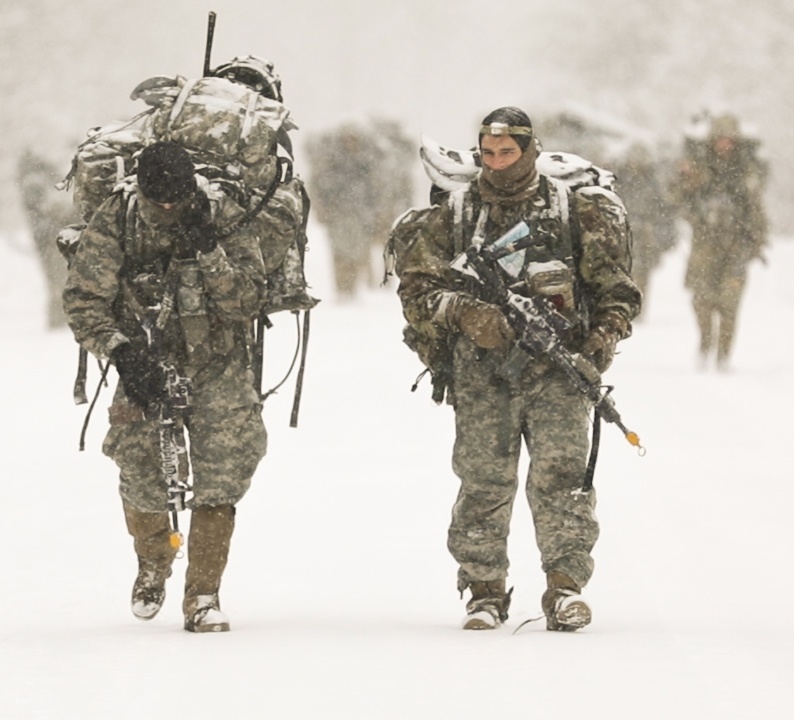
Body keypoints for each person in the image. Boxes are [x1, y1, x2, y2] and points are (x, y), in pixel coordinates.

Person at [394, 107, 641, 631]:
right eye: (488, 153)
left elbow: (615, 289)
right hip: (481, 373)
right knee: (484, 481)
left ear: (530, 150)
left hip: (558, 372)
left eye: (508, 152)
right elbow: (416, 289)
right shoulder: (456, 216)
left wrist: (602, 336)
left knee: (564, 481)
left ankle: (564, 588)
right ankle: (484, 591)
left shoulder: (573, 211)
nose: (498, 162)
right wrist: (466, 312)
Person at [62, 141, 268, 633]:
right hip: (144, 360)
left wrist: (209, 251)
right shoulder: (119, 217)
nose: (168, 208)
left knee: (223, 477)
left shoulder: (222, 213)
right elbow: (83, 299)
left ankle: (203, 595)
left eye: (177, 197)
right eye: (159, 200)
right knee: (138, 471)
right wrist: (121, 354)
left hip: (218, 363)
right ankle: (154, 560)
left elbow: (248, 300)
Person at [672, 113, 768, 370]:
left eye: (729, 140)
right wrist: (685, 178)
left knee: (729, 302)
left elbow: (756, 207)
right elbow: (676, 197)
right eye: (720, 139)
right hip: (704, 243)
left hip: (737, 245)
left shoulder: (747, 169)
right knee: (701, 299)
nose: (725, 145)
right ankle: (705, 343)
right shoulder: (698, 165)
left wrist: (758, 239)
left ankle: (724, 355)